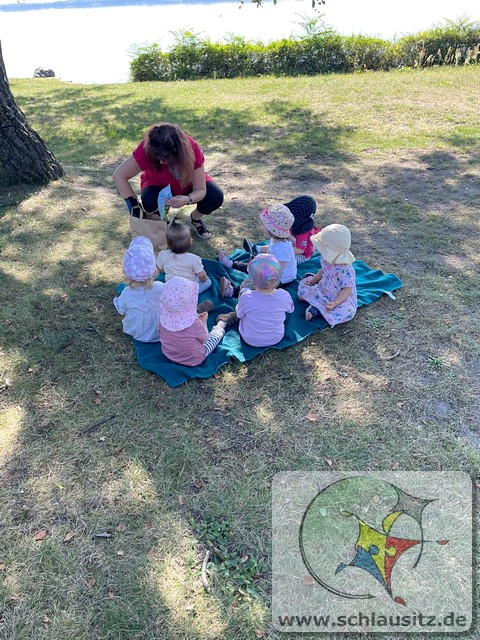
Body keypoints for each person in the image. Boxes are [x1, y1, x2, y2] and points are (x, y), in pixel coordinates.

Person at [113, 122, 223, 240]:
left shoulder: (192, 148)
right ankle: (163, 220)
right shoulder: (147, 148)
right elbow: (119, 175)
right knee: (150, 200)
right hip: (158, 185)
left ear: (178, 152)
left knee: (215, 196)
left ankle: (195, 219)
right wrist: (135, 209)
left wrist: (188, 199)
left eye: (165, 158)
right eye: (157, 158)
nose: (161, 162)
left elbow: (200, 189)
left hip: (188, 185)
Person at [218, 204, 296, 297]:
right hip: (270, 267)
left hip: (280, 279)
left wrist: (259, 274)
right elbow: (270, 251)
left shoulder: (282, 248)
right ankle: (231, 264)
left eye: (264, 225)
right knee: (252, 265)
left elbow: (277, 272)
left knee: (254, 283)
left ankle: (232, 292)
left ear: (271, 230)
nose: (262, 227)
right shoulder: (276, 240)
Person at [217, 254, 294, 348]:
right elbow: (290, 309)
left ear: (253, 280)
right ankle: (231, 291)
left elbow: (239, 314)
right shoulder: (284, 296)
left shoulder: (247, 297)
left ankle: (231, 291)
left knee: (245, 287)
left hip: (249, 338)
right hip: (276, 338)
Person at [158, 277, 227, 366]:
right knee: (213, 339)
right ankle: (222, 323)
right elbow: (204, 340)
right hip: (194, 358)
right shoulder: (195, 323)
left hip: (169, 354)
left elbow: (160, 331)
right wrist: (204, 321)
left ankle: (198, 311)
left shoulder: (163, 319)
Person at [297, 224, 357, 326]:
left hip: (339, 297)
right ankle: (317, 304)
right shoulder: (326, 259)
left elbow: (347, 289)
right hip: (323, 288)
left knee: (347, 311)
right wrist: (314, 280)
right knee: (301, 293)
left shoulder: (346, 269)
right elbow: (323, 270)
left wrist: (336, 303)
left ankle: (317, 311)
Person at [113, 236, 164, 342]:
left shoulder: (126, 293)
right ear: (154, 270)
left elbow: (121, 309)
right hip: (161, 330)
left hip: (138, 333)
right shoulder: (160, 287)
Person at [156, 222, 212, 293]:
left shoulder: (162, 254)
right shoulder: (193, 259)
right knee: (208, 282)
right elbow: (202, 276)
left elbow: (161, 269)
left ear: (167, 244)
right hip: (188, 288)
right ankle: (192, 294)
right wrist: (205, 278)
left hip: (171, 287)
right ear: (190, 242)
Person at [284, 195, 322, 263]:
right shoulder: (299, 224)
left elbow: (299, 250)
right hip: (294, 245)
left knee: (282, 257)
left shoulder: (303, 231)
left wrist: (283, 250)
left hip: (302, 256)